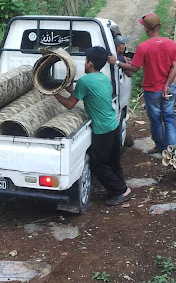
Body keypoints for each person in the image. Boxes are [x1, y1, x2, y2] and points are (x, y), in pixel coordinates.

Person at [54, 47, 133, 206]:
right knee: (112, 161)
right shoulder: (102, 78)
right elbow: (79, 92)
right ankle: (121, 188)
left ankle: (120, 191)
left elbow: (70, 104)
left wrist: (54, 93)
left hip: (103, 130)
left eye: (85, 60)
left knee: (97, 163)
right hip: (113, 125)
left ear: (90, 63)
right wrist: (67, 86)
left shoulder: (85, 81)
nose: (84, 63)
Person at [108, 13, 176, 155]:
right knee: (169, 119)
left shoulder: (143, 47)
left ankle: (160, 147)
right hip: (168, 88)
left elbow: (134, 68)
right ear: (159, 27)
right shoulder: (171, 44)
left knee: (156, 120)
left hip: (152, 90)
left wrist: (116, 62)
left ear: (147, 29)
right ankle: (172, 152)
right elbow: (175, 66)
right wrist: (167, 85)